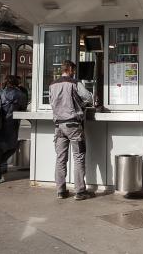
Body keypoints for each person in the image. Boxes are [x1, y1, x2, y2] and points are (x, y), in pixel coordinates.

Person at [49, 60, 93, 200]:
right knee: (78, 157)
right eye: (73, 70)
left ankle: (61, 190)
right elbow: (89, 97)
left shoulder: (52, 85)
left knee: (61, 158)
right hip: (73, 126)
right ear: (69, 69)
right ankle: (80, 191)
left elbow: (52, 102)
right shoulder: (75, 83)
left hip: (58, 127)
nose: (74, 72)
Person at [0, 75, 27, 184]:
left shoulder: (0, 93)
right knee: (13, 147)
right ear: (16, 83)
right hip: (11, 125)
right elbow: (23, 108)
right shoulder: (20, 94)